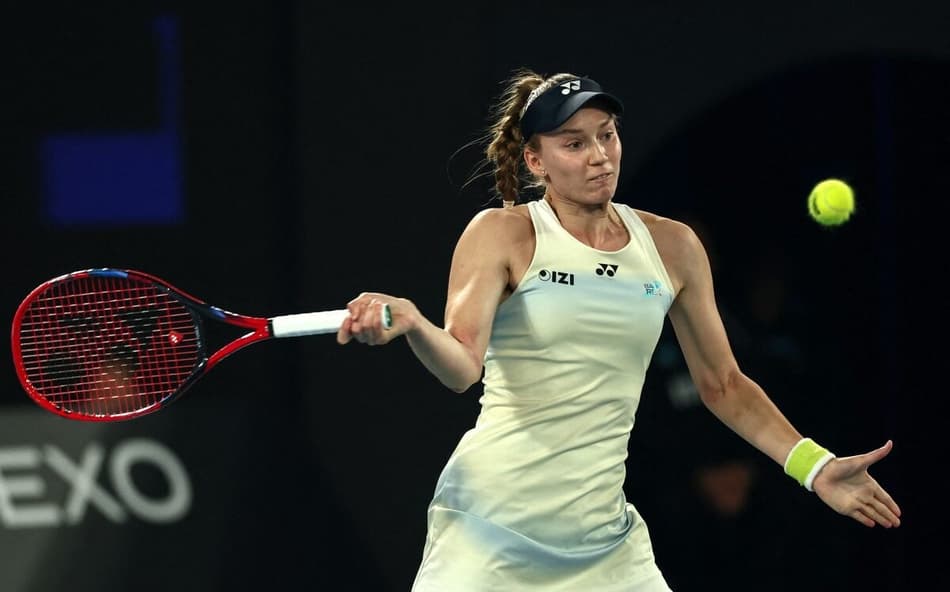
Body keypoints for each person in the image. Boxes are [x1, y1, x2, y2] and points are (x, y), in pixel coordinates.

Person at [336, 68, 901, 591]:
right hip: (490, 526)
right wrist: (412, 323)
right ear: (536, 161)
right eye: (574, 144)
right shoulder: (502, 233)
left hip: (603, 543)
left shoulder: (673, 245)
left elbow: (724, 385)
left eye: (606, 135)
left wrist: (814, 466)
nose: (599, 156)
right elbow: (461, 367)